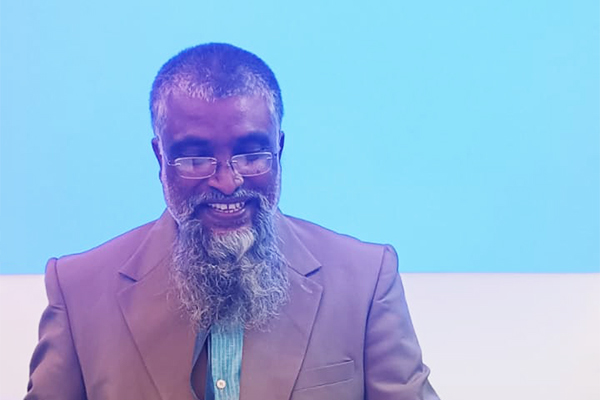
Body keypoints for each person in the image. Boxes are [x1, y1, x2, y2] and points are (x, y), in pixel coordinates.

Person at [25, 43, 440, 400]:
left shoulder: (366, 280)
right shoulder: (78, 290)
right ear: (160, 158)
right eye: (195, 158)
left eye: (251, 155)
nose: (227, 182)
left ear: (279, 150)